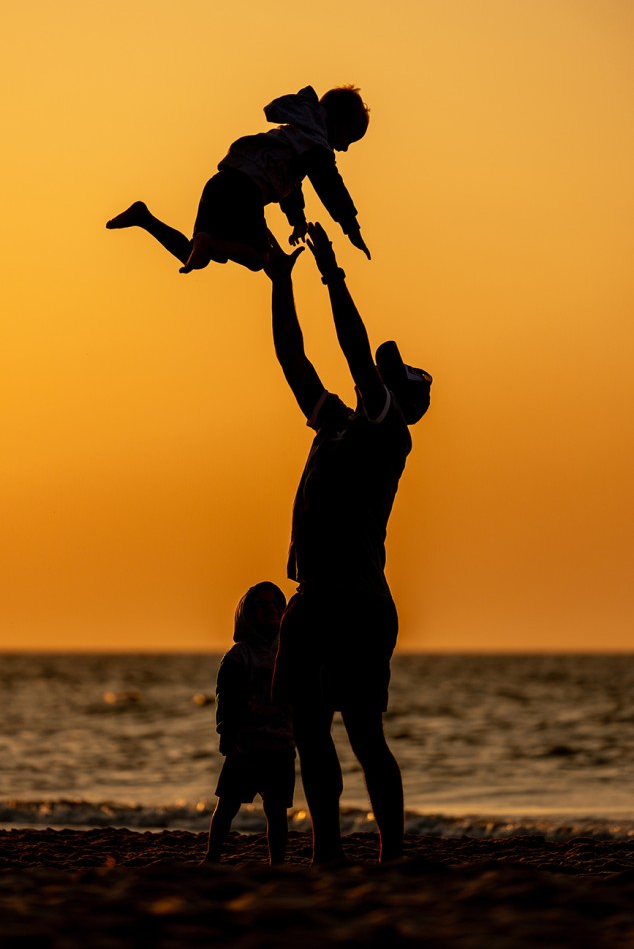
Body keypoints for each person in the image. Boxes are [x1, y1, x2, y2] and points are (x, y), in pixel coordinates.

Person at [264, 224, 432, 864]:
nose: (374, 378)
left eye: (389, 378)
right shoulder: (335, 420)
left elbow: (355, 349)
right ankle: (327, 851)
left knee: (364, 733)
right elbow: (293, 360)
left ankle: (391, 852)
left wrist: (332, 272)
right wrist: (282, 282)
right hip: (314, 595)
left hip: (358, 600)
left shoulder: (390, 432)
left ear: (401, 398)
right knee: (308, 731)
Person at [106, 85, 371, 275]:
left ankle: (144, 218)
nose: (344, 149)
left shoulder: (294, 137)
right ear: (338, 122)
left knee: (193, 254)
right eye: (349, 139)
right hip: (245, 192)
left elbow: (294, 184)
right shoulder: (315, 144)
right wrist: (351, 227)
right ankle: (210, 242)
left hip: (220, 183)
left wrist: (297, 220)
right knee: (259, 259)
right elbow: (329, 184)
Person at [201, 581, 295, 865]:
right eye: (261, 605)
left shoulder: (289, 652)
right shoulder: (239, 655)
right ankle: (212, 855)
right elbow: (225, 699)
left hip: (281, 744)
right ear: (247, 614)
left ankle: (277, 861)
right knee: (228, 805)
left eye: (276, 604)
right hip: (246, 745)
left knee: (277, 811)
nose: (270, 609)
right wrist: (227, 734)